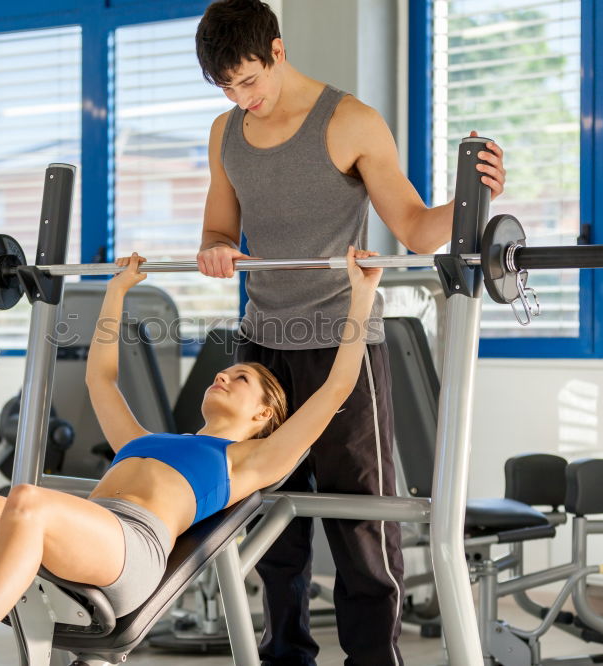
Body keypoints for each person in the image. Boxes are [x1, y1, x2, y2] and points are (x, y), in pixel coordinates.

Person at [0, 247, 383, 666]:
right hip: (68, 537)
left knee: (28, 500)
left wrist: (360, 296)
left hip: (129, 554)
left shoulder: (249, 462)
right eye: (226, 373)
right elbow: (100, 380)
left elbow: (332, 393)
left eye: (242, 380)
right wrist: (116, 291)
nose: (224, 377)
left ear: (263, 417)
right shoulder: (146, 441)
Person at [193, 2, 507, 664]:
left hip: (343, 345)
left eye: (247, 80)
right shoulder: (226, 133)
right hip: (262, 350)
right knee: (270, 524)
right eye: (225, 87)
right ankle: (285, 656)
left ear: (276, 51)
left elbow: (419, 230)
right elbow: (217, 232)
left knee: (363, 526)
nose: (238, 98)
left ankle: (372, 660)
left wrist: (475, 200)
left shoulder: (351, 122)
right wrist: (218, 250)